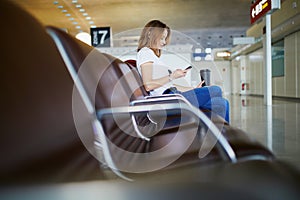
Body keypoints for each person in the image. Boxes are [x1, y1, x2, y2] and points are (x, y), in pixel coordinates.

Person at [136, 20, 230, 123]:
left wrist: (192, 88)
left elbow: (171, 86)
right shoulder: (145, 52)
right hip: (168, 101)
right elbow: (148, 85)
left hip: (174, 95)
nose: (164, 42)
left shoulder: (153, 56)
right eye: (162, 38)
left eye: (165, 38)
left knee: (222, 103)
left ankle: (222, 137)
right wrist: (172, 76)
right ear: (150, 34)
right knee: (216, 90)